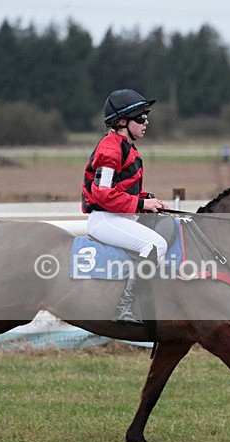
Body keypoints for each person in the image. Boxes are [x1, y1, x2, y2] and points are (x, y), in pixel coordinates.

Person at [81, 89, 169, 325]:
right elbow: (103, 194)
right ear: (121, 122)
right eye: (140, 117)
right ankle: (124, 308)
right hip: (105, 219)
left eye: (146, 116)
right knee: (154, 245)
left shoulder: (125, 145)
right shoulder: (110, 149)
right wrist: (141, 203)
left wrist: (148, 201)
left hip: (118, 216)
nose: (146, 122)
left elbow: (121, 190)